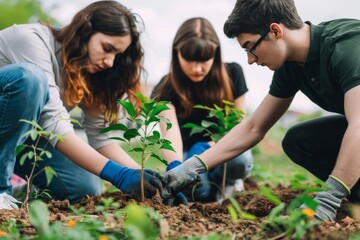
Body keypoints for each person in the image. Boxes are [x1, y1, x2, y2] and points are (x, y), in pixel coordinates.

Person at [161, 0, 360, 222]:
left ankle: (333, 197)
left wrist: (328, 199)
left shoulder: (346, 46)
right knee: (299, 141)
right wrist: (192, 167)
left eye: (250, 47)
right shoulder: (291, 67)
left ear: (275, 31)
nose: (250, 60)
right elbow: (254, 126)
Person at [0, 0, 163, 209]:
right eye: (107, 48)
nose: (110, 62)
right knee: (31, 79)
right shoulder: (30, 40)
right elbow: (55, 125)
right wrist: (117, 174)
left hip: (22, 137)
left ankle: (21, 189)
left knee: (85, 188)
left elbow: (101, 139)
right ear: (85, 32)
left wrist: (149, 178)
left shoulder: (88, 70)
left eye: (117, 55)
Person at [152, 17, 253, 203]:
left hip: (223, 151)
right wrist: (177, 168)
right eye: (189, 60)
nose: (197, 68)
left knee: (239, 161)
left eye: (204, 60)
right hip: (184, 152)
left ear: (216, 52)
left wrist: (205, 147)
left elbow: (238, 126)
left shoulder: (233, 74)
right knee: (198, 192)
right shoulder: (165, 87)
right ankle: (210, 192)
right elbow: (169, 133)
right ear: (177, 53)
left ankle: (228, 184)